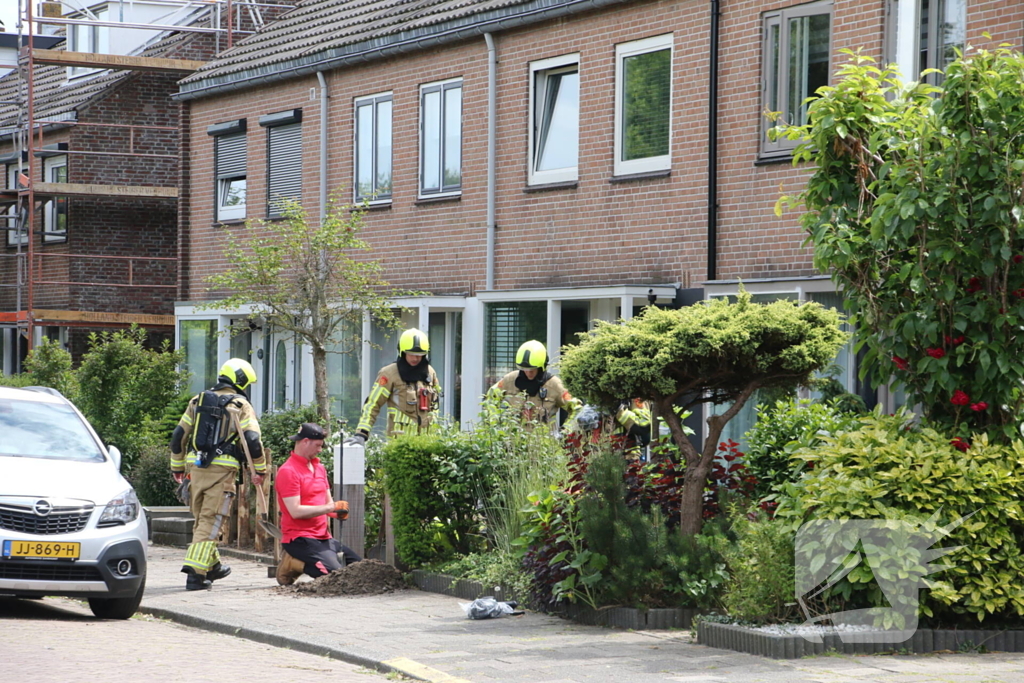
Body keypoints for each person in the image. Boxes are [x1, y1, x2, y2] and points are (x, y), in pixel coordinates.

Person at [170, 358, 266, 591]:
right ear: (240, 380)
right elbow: (252, 440)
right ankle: (195, 573)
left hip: (195, 469)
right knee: (212, 522)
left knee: (203, 519)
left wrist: (178, 467)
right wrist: (260, 469)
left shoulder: (197, 400)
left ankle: (212, 567)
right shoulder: (241, 405)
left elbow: (178, 436)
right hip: (221, 472)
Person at [275, 422, 362, 585]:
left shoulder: (320, 468)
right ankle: (292, 563)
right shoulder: (288, 471)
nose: (320, 449)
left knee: (360, 568)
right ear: (305, 441)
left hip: (323, 537)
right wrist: (330, 507)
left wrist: (337, 513)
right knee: (336, 577)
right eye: (318, 445)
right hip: (299, 539)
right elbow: (295, 511)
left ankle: (301, 561)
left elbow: (328, 504)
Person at [348, 328, 442, 444]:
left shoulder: (430, 372)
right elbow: (373, 404)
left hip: (428, 442)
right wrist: (361, 433)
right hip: (399, 443)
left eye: (419, 355)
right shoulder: (389, 374)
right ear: (402, 352)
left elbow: (436, 404)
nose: (415, 358)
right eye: (411, 354)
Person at [489, 340, 579, 425]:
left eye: (532, 369)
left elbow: (576, 409)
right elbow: (491, 399)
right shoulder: (509, 380)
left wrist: (566, 431)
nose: (528, 373)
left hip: (543, 440)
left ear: (541, 367)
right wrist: (495, 424)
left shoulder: (554, 385)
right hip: (513, 439)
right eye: (525, 369)